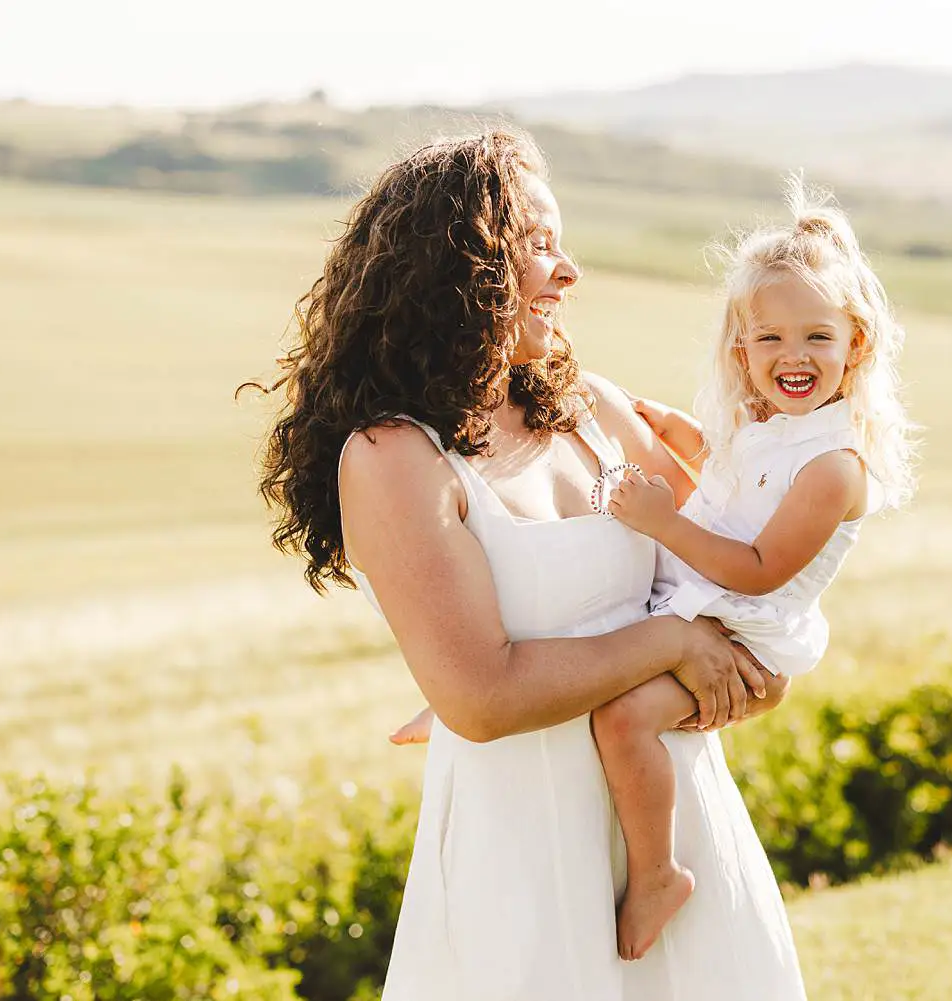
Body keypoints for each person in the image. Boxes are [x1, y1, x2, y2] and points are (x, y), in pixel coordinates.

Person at [248, 128, 807, 1000]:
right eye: (539, 243)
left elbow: (745, 569)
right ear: (456, 266)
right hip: (527, 858)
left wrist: (747, 665)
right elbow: (483, 695)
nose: (569, 269)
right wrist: (672, 643)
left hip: (684, 835)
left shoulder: (594, 410)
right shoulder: (396, 456)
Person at [596, 186, 918, 958]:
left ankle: (657, 873)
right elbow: (742, 483)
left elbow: (759, 565)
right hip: (707, 600)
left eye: (817, 335)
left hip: (744, 627)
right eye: (769, 337)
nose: (793, 356)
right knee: (584, 636)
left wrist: (661, 520)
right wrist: (681, 434)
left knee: (624, 714)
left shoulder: (836, 466)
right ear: (741, 349)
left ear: (857, 345)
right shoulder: (775, 428)